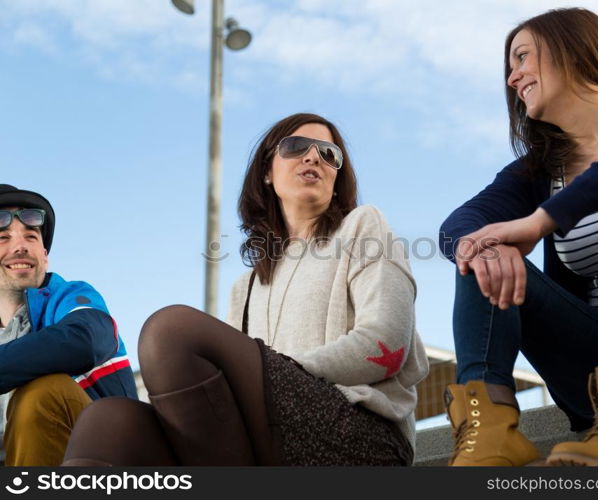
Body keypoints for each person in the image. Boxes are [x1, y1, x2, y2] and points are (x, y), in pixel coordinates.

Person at [62, 113, 429, 466]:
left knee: (170, 332)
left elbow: (387, 346)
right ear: (267, 171)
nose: (314, 156)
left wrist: (282, 373)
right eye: (297, 145)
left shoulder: (364, 227)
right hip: (266, 439)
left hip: (360, 436)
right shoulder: (247, 286)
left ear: (338, 177)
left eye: (329, 153)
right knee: (109, 420)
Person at [439, 7, 598, 467]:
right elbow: (461, 222)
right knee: (484, 248)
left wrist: (542, 221)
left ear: (571, 48)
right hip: (594, 377)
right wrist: (478, 246)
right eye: (510, 66)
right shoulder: (540, 171)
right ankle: (489, 434)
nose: (513, 78)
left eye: (522, 58)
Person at [0, 184, 138, 466]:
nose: (21, 246)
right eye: (3, 237)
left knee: (41, 393)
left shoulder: (71, 297)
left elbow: (85, 340)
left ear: (44, 256)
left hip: (105, 460)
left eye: (31, 236)